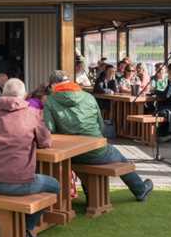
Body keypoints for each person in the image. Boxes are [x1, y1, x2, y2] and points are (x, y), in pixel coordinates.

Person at [42, 71, 153, 202]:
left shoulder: (50, 101)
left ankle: (91, 196)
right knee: (119, 158)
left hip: (70, 155)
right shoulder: (88, 97)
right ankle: (140, 190)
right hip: (95, 149)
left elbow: (50, 130)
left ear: (54, 85)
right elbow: (101, 126)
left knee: (84, 162)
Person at [0, 78, 58, 237]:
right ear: (23, 94)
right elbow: (45, 141)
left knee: (17, 182)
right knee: (55, 186)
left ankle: (8, 228)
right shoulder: (32, 113)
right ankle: (26, 229)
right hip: (18, 182)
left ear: (3, 93)